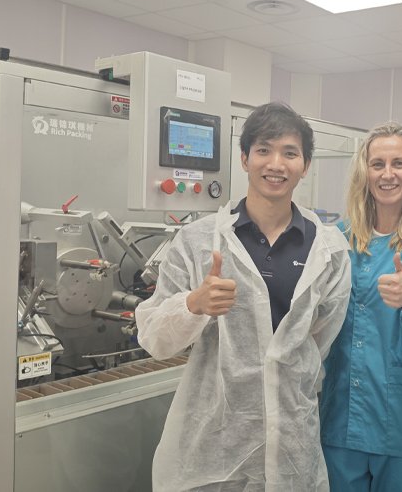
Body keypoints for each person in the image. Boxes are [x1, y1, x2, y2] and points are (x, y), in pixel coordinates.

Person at [135, 102, 352, 492]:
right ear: (244, 158)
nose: (276, 164)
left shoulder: (329, 248)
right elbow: (154, 339)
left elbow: (318, 341)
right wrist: (193, 305)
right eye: (264, 150)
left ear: (305, 165)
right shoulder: (200, 241)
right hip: (212, 442)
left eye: (290, 153)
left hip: (292, 441)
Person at [320, 123, 402, 491]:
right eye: (377, 164)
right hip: (343, 417)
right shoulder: (339, 239)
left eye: (398, 163)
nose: (387, 173)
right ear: (365, 173)